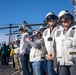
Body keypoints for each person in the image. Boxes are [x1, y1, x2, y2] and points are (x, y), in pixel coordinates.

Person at [54, 10, 76, 75]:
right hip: (62, 63)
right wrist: (55, 64)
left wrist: (72, 54)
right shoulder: (57, 32)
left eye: (68, 18)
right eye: (63, 19)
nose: (66, 20)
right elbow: (55, 48)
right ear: (60, 21)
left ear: (71, 19)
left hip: (74, 62)